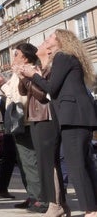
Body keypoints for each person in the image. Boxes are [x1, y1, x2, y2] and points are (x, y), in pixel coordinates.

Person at [21, 29, 97, 217]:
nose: (46, 40)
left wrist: (33, 75)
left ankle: (90, 210)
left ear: (61, 41)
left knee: (77, 166)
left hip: (73, 117)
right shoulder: (67, 57)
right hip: (78, 117)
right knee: (85, 164)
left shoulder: (63, 56)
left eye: (50, 38)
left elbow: (51, 88)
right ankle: (93, 208)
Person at [0, 43, 45, 212]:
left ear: (24, 57)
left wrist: (2, 86)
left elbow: (20, 98)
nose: (13, 58)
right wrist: (3, 84)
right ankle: (32, 196)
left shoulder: (27, 71)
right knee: (24, 163)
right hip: (19, 123)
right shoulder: (18, 73)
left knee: (30, 162)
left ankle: (39, 199)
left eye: (16, 54)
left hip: (25, 122)